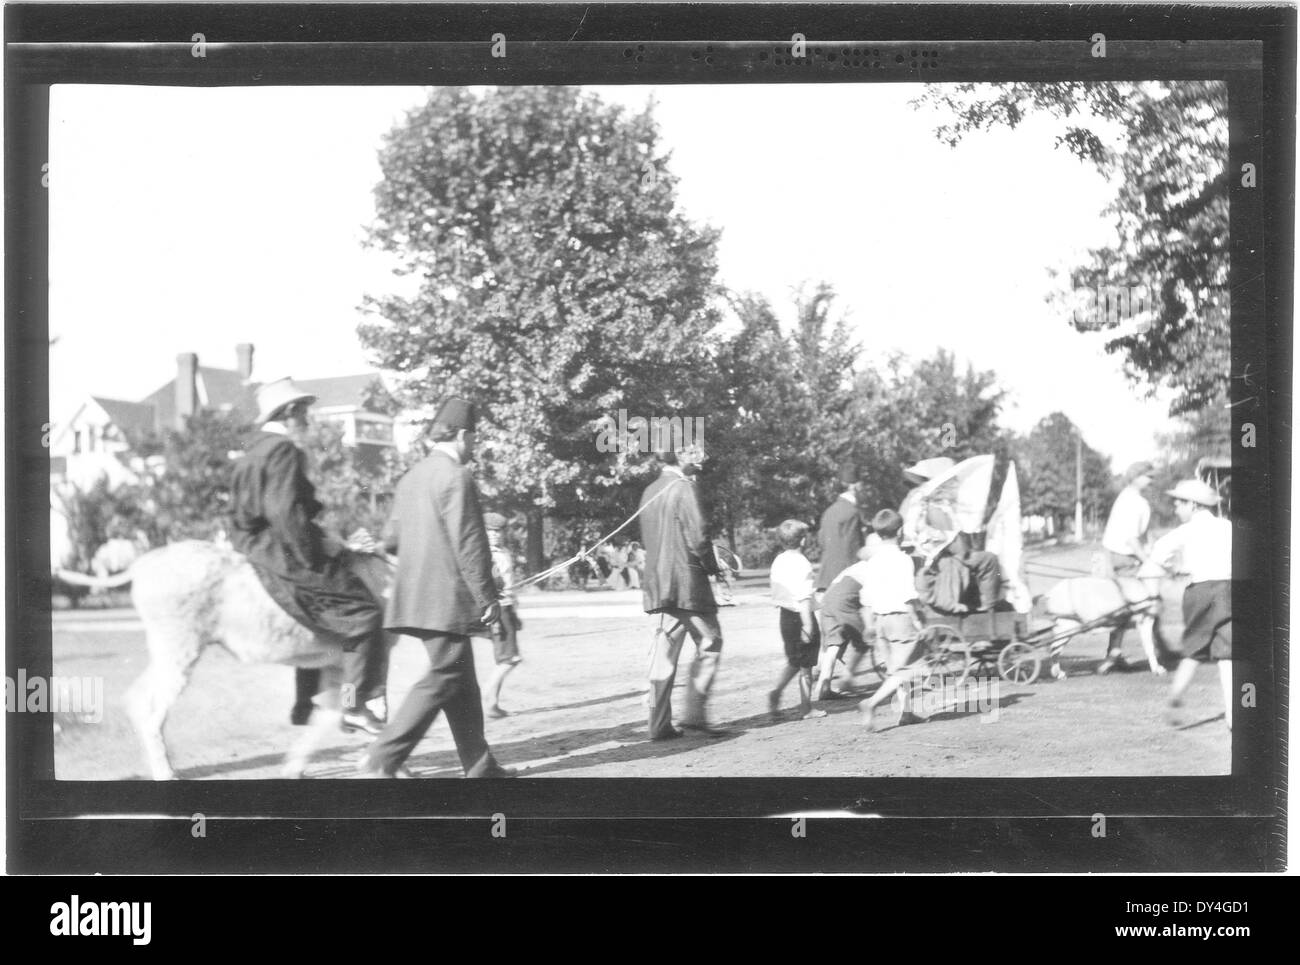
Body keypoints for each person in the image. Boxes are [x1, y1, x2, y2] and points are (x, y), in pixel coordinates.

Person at [362, 398, 514, 778]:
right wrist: (488, 597)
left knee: (461, 681)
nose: (475, 445)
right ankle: (383, 755)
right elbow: (470, 543)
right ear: (463, 435)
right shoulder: (456, 475)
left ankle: (480, 766)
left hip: (413, 597)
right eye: (474, 437)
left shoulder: (410, 476)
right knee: (446, 675)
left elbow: (391, 540)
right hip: (445, 599)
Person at [229, 378, 388, 736]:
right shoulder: (283, 449)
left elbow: (243, 515)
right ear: (287, 413)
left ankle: (305, 704)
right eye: (302, 412)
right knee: (364, 617)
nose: (307, 418)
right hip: (283, 553)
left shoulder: (251, 449)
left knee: (329, 625)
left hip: (251, 547)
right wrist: (319, 554)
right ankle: (353, 705)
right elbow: (287, 514)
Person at [641, 442, 729, 740]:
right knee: (711, 642)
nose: (701, 457)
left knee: (663, 657)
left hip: (659, 586)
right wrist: (715, 570)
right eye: (694, 452)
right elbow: (700, 538)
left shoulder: (650, 490)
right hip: (687, 586)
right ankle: (693, 717)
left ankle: (658, 724)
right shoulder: (684, 488)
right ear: (679, 456)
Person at [1148, 480, 1233, 729]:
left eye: (1178, 504)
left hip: (1201, 592)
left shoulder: (1185, 532)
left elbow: (1158, 553)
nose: (1176, 509)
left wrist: (1174, 568)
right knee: (1228, 654)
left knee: (1193, 650)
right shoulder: (1228, 527)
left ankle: (1176, 695)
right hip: (1230, 590)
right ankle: (1232, 714)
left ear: (1193, 505)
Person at [857, 509, 931, 731]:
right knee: (909, 669)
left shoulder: (873, 561)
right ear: (900, 532)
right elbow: (908, 596)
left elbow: (867, 596)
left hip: (880, 620)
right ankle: (871, 703)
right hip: (901, 619)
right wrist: (918, 622)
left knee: (895, 668)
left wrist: (870, 624)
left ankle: (906, 713)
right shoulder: (903, 560)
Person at [1096, 460, 1158, 672]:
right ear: (1137, 477)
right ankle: (1117, 654)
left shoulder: (1126, 497)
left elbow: (1140, 533)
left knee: (1126, 608)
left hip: (1116, 556)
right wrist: (1148, 562)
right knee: (1145, 603)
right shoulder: (1135, 502)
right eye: (1149, 476)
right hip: (1126, 558)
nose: (1152, 480)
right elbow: (1132, 539)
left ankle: (1115, 652)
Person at [767, 520, 826, 721]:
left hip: (785, 616)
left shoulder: (778, 560)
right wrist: (808, 624)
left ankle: (777, 691)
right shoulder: (802, 563)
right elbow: (803, 596)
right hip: (801, 615)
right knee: (806, 665)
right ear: (802, 540)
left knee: (794, 660)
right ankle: (806, 707)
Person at [812, 533, 882, 701]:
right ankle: (846, 680)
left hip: (828, 600)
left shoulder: (857, 566)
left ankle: (823, 684)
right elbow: (869, 601)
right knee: (864, 641)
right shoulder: (875, 569)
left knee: (835, 643)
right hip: (843, 602)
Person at [482, 512, 524, 719]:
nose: (495, 535)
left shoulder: (503, 552)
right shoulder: (484, 555)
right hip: (499, 609)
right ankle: (484, 695)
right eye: (490, 532)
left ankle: (492, 705)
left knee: (503, 659)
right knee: (510, 659)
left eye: (498, 532)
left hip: (508, 608)